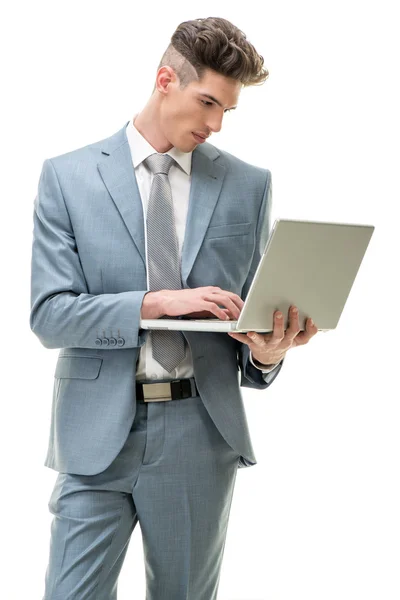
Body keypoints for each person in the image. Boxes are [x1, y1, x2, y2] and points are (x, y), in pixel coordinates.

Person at [30, 16, 318, 600]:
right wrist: (153, 303)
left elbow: (251, 323)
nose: (215, 124)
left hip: (198, 432)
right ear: (166, 79)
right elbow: (50, 315)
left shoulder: (248, 185)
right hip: (93, 435)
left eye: (227, 112)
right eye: (207, 102)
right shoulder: (67, 177)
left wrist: (268, 352)